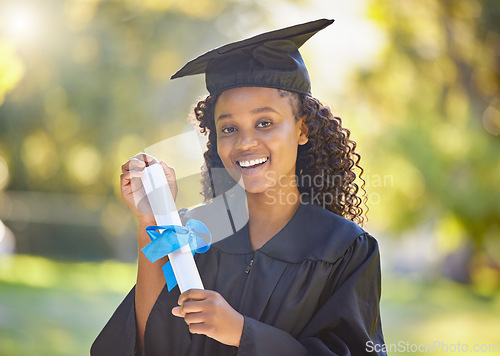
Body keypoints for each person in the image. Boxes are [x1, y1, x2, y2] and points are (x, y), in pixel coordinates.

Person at [92, 18, 386, 355]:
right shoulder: (195, 232)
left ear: (302, 129)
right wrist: (150, 220)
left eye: (264, 123)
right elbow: (147, 345)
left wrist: (243, 332)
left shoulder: (345, 249)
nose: (246, 142)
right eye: (228, 128)